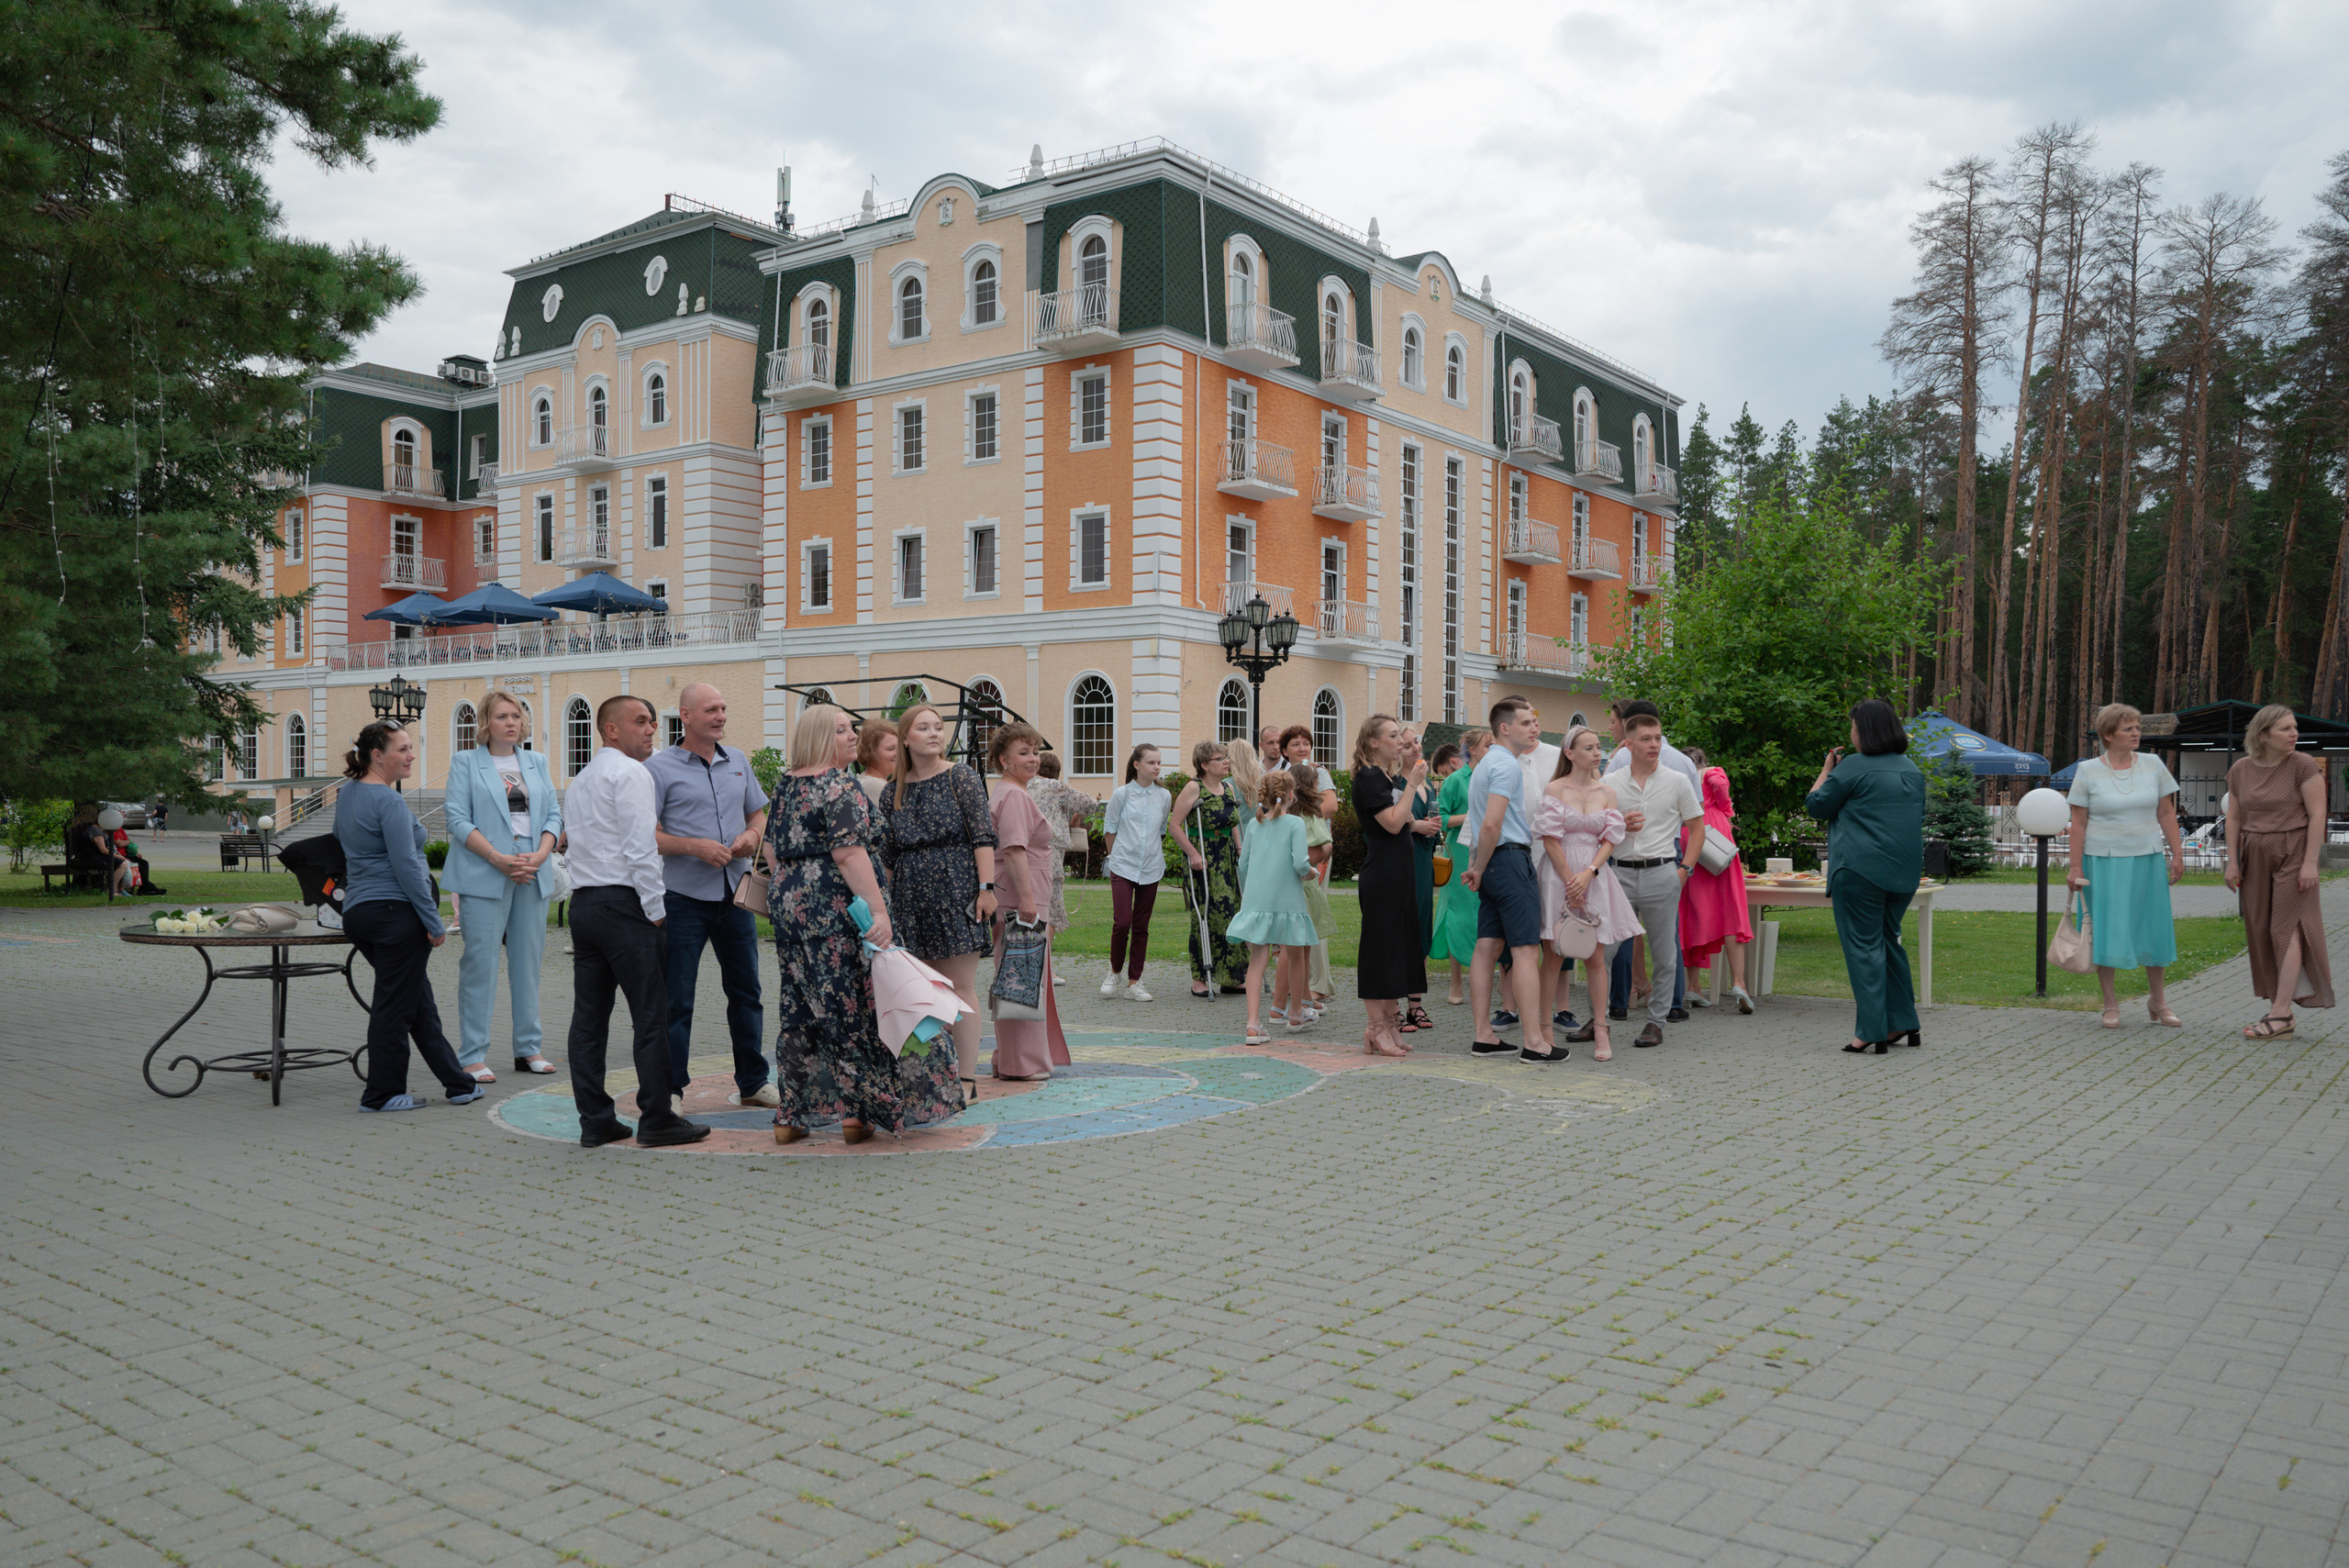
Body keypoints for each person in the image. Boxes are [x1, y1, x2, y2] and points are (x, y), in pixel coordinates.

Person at [765, 703, 957, 1144]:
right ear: (820, 737)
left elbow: (772, 849)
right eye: (842, 730)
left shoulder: (786, 785)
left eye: (852, 729)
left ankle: (791, 1114)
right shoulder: (839, 785)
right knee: (855, 1006)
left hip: (793, 913)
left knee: (802, 1009)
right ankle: (860, 1111)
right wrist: (881, 912)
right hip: (840, 910)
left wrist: (794, 889)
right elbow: (849, 854)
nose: (853, 736)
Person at [564, 695, 708, 1146]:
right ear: (611, 730)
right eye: (641, 722)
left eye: (652, 722)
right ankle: (657, 1117)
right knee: (651, 1014)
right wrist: (657, 910)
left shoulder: (581, 779)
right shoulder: (631, 773)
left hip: (585, 905)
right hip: (624, 905)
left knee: (589, 1018)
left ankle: (595, 1120)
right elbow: (641, 848)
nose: (651, 730)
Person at [333, 720, 482, 1113]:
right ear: (377, 755)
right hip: (394, 916)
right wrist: (435, 921)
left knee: (416, 1002)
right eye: (402, 749)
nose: (411, 755)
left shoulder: (347, 794)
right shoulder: (388, 800)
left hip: (362, 914)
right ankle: (381, 1094)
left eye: (411, 747)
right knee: (395, 1009)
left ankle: (459, 1083)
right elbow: (407, 867)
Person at [648, 683, 774, 1110]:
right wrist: (694, 846)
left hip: (735, 897)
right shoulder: (658, 768)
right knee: (676, 998)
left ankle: (753, 1083)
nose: (720, 716)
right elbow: (646, 834)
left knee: (747, 993)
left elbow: (758, 812)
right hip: (682, 898)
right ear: (685, 715)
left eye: (723, 708)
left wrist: (750, 836)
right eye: (710, 710)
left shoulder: (737, 760)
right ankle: (670, 1089)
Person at [880, 703, 997, 1108]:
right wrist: (885, 910)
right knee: (923, 992)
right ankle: (931, 1076)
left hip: (957, 889)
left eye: (939, 726)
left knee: (960, 988)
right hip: (911, 897)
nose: (934, 733)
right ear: (906, 738)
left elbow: (983, 836)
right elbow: (888, 856)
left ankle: (966, 1078)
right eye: (923, 727)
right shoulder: (893, 790)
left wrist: (986, 887)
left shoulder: (961, 777)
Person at [444, 690, 562, 1082]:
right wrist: (497, 858)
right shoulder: (465, 763)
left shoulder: (536, 761)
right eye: (501, 717)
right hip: (486, 872)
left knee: (528, 965)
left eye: (516, 716)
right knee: (480, 965)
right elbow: (457, 820)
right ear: (485, 723)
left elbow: (555, 816)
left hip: (532, 869)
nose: (511, 723)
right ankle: (473, 1054)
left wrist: (541, 855)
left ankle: (528, 1049)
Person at [1805, 698, 1926, 1056]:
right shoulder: (1911, 769)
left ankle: (1870, 1030)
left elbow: (1816, 806)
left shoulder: (1854, 767)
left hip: (1858, 870)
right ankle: (1904, 1022)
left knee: (1863, 948)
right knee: (1889, 943)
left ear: (1865, 730)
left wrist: (1827, 769)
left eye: (1854, 726)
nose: (1851, 733)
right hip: (1903, 873)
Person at [2065, 703, 2186, 1029]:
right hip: (2101, 860)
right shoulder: (2088, 770)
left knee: (2153, 926)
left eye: (2137, 727)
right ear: (2108, 735)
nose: (2136, 733)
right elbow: (2078, 822)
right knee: (2106, 930)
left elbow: (2166, 813)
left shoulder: (2152, 764)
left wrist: (2177, 853)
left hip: (2146, 858)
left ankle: (2158, 1002)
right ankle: (2110, 1004)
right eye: (2128, 729)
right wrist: (2075, 868)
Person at [2224, 702, 2334, 1040]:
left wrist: (2310, 862)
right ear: (2263, 734)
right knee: (2259, 928)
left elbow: (2318, 815)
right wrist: (2231, 861)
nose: (2294, 734)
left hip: (2294, 850)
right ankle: (2278, 1004)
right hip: (2254, 851)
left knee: (2284, 929)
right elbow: (2235, 818)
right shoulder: (2241, 769)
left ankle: (2281, 1012)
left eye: (2294, 727)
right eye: (2286, 728)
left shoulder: (2302, 765)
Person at [1536, 726, 1643, 1062]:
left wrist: (1589, 873)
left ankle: (1601, 1028)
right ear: (1570, 753)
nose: (1597, 752)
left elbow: (1612, 837)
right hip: (1558, 876)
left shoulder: (1606, 791)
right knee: (1554, 955)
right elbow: (1550, 838)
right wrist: (1571, 880)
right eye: (1589, 748)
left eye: (1599, 747)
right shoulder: (1554, 788)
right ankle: (1545, 1030)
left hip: (1595, 875)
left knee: (1596, 957)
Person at [1464, 698, 1559, 1060]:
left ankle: (1484, 1035)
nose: (1534, 727)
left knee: (1487, 946)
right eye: (1525, 723)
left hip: (1493, 864)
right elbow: (1491, 823)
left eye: (1534, 722)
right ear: (1504, 728)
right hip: (1507, 860)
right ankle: (1534, 1042)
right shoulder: (1506, 766)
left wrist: (1479, 866)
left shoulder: (1487, 763)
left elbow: (1484, 826)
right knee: (1524, 950)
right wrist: (1480, 866)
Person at [1611, 706, 1709, 1049]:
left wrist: (1685, 870)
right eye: (1646, 739)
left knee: (1665, 953)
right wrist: (1619, 822)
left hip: (1662, 872)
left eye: (1657, 738)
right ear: (1628, 744)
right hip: (1618, 873)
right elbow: (1597, 828)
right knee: (1606, 949)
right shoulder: (1610, 782)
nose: (1654, 744)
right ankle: (1600, 1018)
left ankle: (1656, 1022)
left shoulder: (1677, 780)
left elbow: (1698, 830)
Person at [986, 724, 1073, 1080]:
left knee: (1013, 973)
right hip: (1021, 894)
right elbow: (1014, 850)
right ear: (1004, 760)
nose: (1033, 759)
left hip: (1020, 891)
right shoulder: (1015, 796)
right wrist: (1026, 902)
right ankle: (1022, 1062)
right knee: (1023, 975)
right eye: (1024, 753)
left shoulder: (1007, 792)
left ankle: (1010, 1056)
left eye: (1035, 752)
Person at [1352, 716, 1432, 1057]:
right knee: (1379, 953)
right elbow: (1394, 822)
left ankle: (1389, 1024)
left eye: (1401, 735)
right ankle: (1374, 1028)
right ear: (1373, 742)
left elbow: (1407, 822)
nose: (1400, 741)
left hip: (1400, 873)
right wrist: (1413, 785)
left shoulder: (1386, 777)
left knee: (1398, 951)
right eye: (1393, 735)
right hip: (1383, 874)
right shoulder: (1369, 777)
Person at [1228, 770, 1317, 1046]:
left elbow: (1243, 864)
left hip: (1257, 900)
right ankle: (1296, 1013)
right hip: (1287, 899)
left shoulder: (1254, 824)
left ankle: (1253, 1024)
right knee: (1296, 953)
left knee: (1257, 961)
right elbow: (1301, 863)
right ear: (1291, 795)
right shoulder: (1295, 823)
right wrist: (1311, 872)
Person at [1170, 741, 1249, 997]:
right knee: (1206, 915)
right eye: (1219, 759)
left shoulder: (1227, 787)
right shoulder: (1194, 787)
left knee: (1230, 913)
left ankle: (1230, 975)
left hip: (1225, 856)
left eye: (1226, 758)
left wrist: (1240, 849)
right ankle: (1200, 978)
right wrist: (1192, 854)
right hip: (1203, 856)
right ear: (1204, 764)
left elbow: (1233, 821)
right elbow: (1174, 825)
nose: (1226, 762)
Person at [1679, 761, 1756, 1016]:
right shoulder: (1709, 771)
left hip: (1688, 833)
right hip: (1715, 834)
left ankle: (1693, 986)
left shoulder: (1677, 775)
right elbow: (1720, 785)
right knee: (1730, 909)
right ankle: (1739, 982)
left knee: (1695, 909)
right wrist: (1724, 808)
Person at [1098, 744, 1171, 1001]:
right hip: (1122, 865)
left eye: (1159, 762)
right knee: (1123, 923)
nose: (1157, 767)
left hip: (1151, 867)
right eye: (1152, 762)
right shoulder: (1122, 794)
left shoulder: (1164, 796)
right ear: (1137, 765)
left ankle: (1134, 982)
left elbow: (1161, 829)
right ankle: (1114, 972)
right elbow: (1110, 829)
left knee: (1141, 926)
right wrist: (1114, 855)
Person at [1027, 751, 1099, 977]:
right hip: (1050, 853)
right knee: (1049, 908)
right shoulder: (1056, 787)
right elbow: (1090, 804)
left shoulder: (1023, 785)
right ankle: (1044, 968)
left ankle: (1026, 964)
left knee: (1027, 908)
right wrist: (1075, 816)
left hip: (1021, 851)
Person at [1430, 730, 1487, 1002]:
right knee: (1458, 916)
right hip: (1461, 855)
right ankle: (1456, 983)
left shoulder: (1495, 775)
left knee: (1488, 915)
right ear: (1471, 750)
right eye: (1487, 745)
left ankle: (1497, 978)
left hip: (1490, 852)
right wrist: (1471, 816)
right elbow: (1438, 819)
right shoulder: (1454, 781)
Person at [1278, 762, 1333, 1029]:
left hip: (1285, 884)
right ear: (1311, 787)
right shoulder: (1311, 815)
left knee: (1297, 945)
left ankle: (1302, 998)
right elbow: (1323, 847)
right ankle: (1286, 1007)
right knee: (1296, 947)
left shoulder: (1281, 815)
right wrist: (1319, 858)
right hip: (1305, 883)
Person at [1399, 728, 1442, 1034]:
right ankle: (1395, 1007)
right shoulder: (1396, 784)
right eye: (1408, 744)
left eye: (1417, 742)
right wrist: (1416, 826)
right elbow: (1390, 821)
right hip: (1404, 862)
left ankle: (1415, 1004)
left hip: (1425, 862)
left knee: (1422, 932)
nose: (1416, 748)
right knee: (1402, 932)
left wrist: (1432, 827)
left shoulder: (1428, 783)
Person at [855, 720, 899, 806]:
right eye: (890, 749)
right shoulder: (875, 785)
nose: (898, 754)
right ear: (870, 753)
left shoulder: (866, 781)